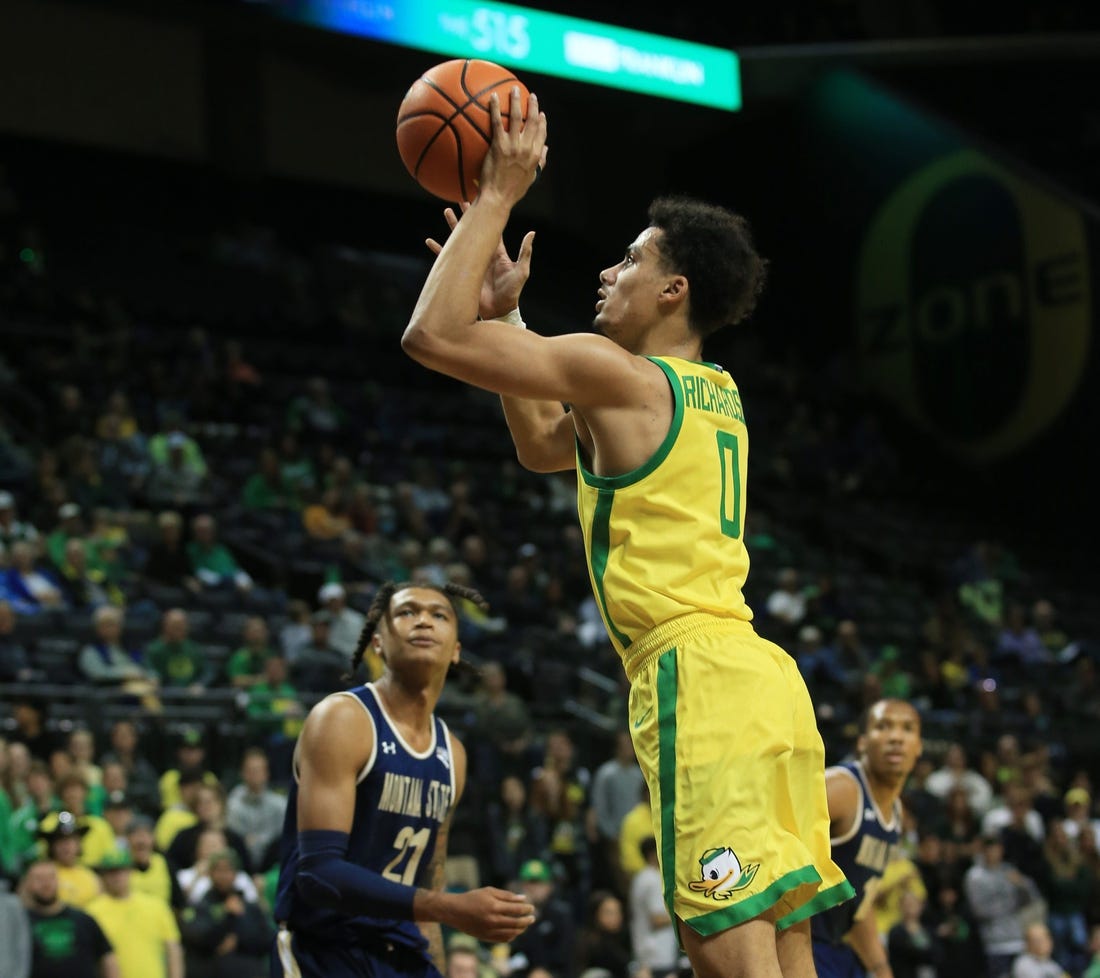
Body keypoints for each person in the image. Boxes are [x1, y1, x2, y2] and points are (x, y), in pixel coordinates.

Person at [401, 86, 853, 977]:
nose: (608, 274)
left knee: (725, 947)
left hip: (701, 681)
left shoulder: (625, 376)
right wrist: (506, 316)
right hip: (765, 684)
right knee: (786, 945)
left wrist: (496, 196)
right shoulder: (711, 393)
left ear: (673, 290)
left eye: (630, 262)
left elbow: (426, 334)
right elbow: (539, 445)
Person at [271, 580, 535, 977]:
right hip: (325, 952)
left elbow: (430, 883)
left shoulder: (453, 755)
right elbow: (318, 875)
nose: (423, 622)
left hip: (402, 955)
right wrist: (450, 909)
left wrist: (440, 943)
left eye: (439, 615)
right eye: (407, 613)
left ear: (457, 649)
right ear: (378, 643)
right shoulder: (343, 719)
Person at [811, 699, 923, 978]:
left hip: (836, 946)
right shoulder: (841, 789)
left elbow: (861, 903)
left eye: (907, 729)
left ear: (919, 747)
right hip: (799, 942)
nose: (896, 737)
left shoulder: (895, 811)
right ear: (862, 742)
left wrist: (881, 969)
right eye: (883, 727)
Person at [85, 847, 184, 978]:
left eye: (121, 871)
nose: (117, 877)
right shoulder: (92, 911)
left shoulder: (156, 905)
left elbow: (173, 949)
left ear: (130, 872)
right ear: (103, 876)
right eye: (111, 872)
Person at [20, 857, 119, 978]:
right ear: (27, 884)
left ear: (58, 881)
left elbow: (107, 957)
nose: (46, 884)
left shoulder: (84, 920)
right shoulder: (20, 924)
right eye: (38, 879)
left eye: (50, 877)